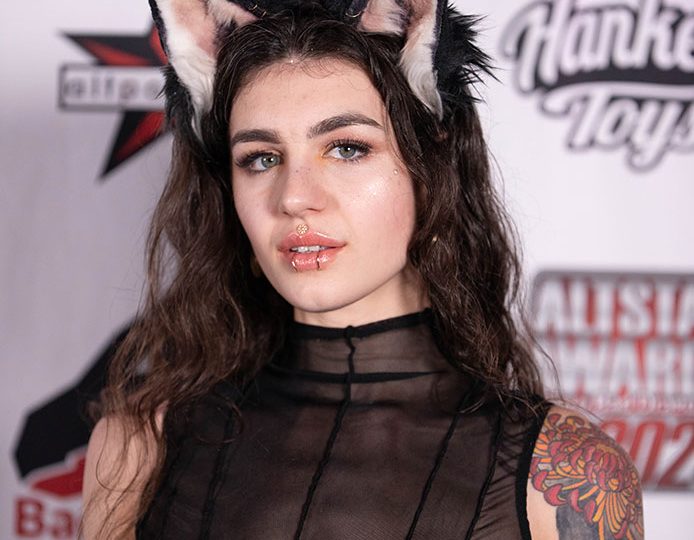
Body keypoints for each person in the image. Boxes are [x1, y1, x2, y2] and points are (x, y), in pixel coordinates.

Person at [82, 0, 644, 538]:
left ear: (431, 166)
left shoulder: (565, 474)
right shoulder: (138, 447)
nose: (294, 197)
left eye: (347, 148)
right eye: (262, 158)